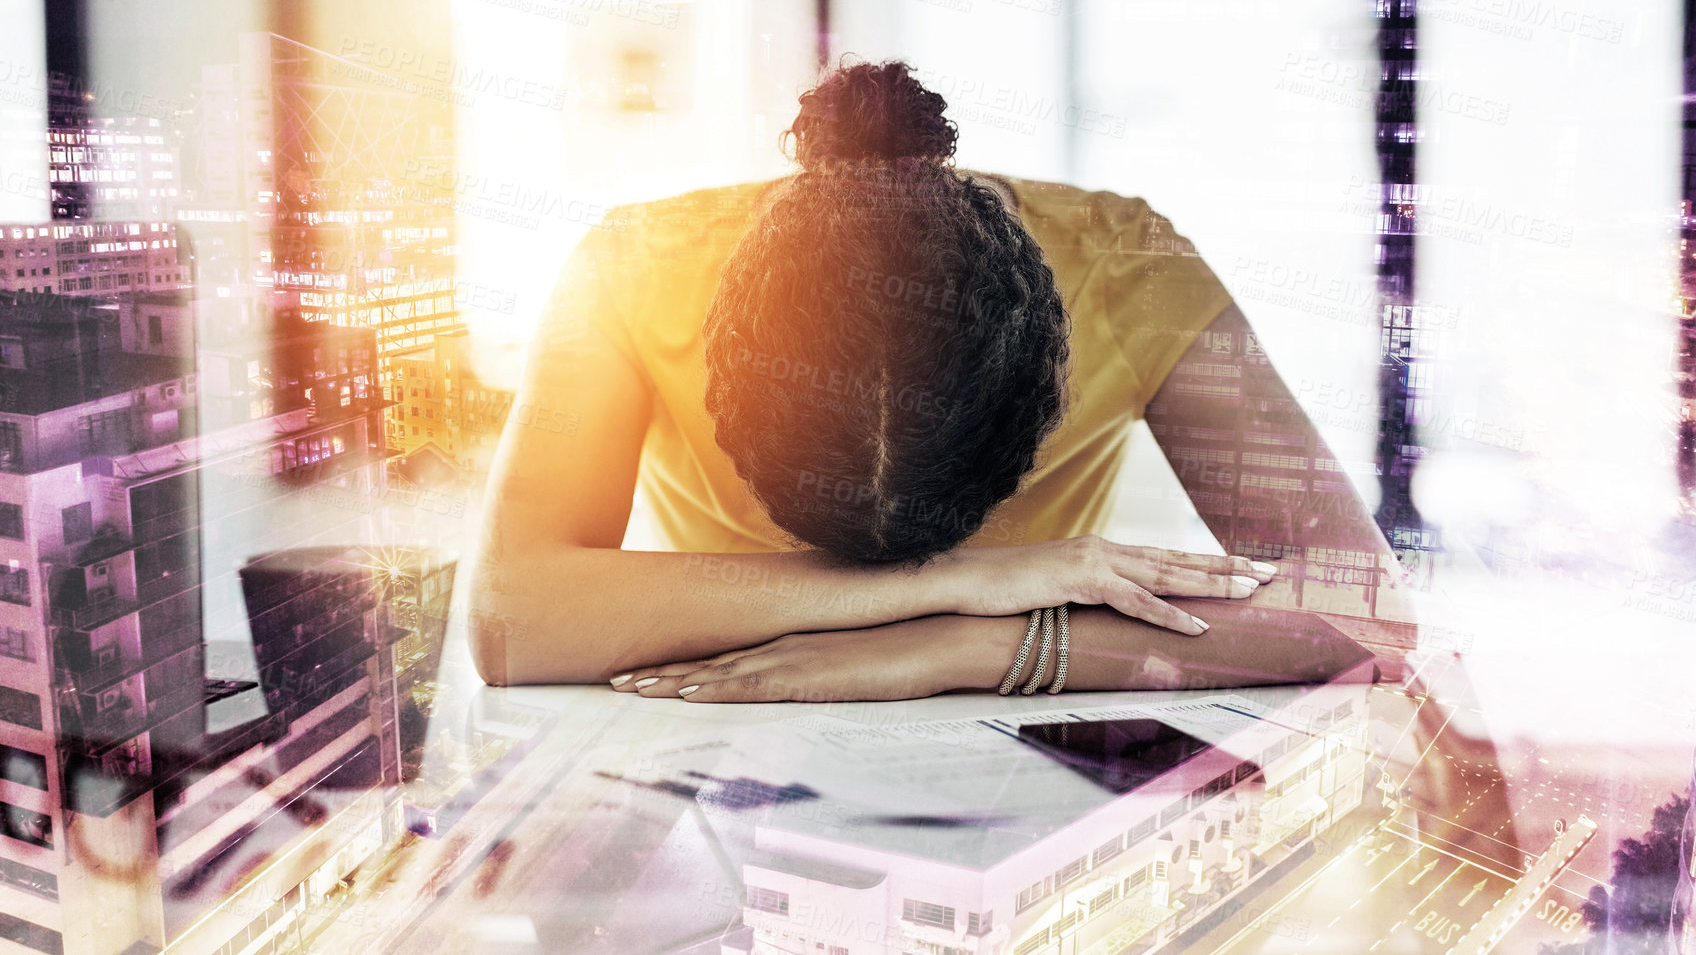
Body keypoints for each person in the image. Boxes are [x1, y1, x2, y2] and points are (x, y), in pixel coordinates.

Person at [470, 61, 1410, 700]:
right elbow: (515, 618)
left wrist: (969, 645)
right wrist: (973, 580)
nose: (894, 578)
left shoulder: (1129, 264)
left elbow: (1366, 609)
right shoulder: (630, 262)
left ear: (1050, 365)